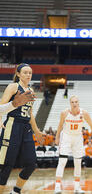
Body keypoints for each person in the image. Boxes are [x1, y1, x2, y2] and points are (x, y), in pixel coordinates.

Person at [0, 63, 44, 194]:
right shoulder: (13, 86)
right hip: (12, 125)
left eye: (30, 73)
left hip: (26, 128)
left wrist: (36, 131)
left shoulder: (31, 91)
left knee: (31, 164)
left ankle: (16, 191)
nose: (28, 75)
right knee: (6, 165)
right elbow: (1, 105)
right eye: (25, 72)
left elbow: (30, 113)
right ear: (18, 74)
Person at [54, 95, 92, 194]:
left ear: (78, 103)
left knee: (78, 163)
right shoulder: (64, 113)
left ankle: (77, 188)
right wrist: (57, 137)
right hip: (66, 137)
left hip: (78, 138)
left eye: (76, 102)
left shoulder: (84, 113)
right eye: (72, 102)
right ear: (70, 103)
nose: (74, 104)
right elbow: (60, 126)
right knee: (62, 161)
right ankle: (57, 186)